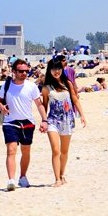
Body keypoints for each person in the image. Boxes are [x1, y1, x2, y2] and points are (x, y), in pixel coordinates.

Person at [0, 59, 48, 191]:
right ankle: (11, 180)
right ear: (14, 71)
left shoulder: (31, 87)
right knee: (11, 150)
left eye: (26, 71)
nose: (24, 73)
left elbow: (39, 104)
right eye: (21, 71)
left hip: (28, 122)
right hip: (10, 122)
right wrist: (1, 107)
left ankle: (22, 176)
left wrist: (44, 120)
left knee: (26, 151)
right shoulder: (6, 85)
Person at [41, 59, 86, 187]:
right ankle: (57, 179)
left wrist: (82, 115)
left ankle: (62, 174)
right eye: (54, 69)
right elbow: (44, 106)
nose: (56, 71)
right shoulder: (46, 88)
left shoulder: (68, 83)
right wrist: (44, 121)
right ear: (49, 70)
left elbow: (75, 100)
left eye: (58, 69)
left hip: (67, 120)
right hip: (53, 121)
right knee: (56, 150)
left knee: (64, 151)